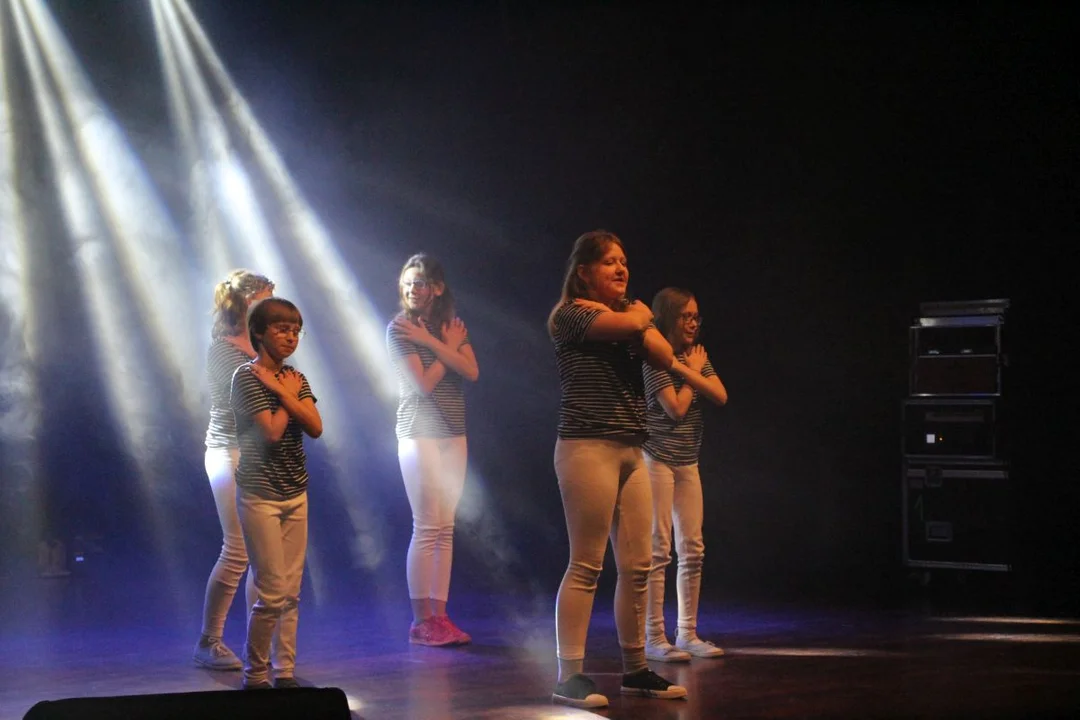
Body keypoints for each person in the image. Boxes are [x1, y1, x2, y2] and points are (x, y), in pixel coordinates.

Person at [547, 230, 687, 709]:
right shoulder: (571, 315)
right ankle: (569, 676)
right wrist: (640, 318)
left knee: (639, 566)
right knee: (586, 564)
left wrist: (641, 320)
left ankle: (636, 669)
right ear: (584, 271)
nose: (621, 269)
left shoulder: (629, 318)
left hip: (632, 449)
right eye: (609, 262)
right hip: (587, 447)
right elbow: (631, 329)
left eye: (624, 261)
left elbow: (665, 356)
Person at [386, 253, 479, 646]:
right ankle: (421, 620)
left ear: (436, 287)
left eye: (419, 282)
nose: (411, 289)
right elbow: (422, 384)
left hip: (452, 432)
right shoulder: (401, 328)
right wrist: (440, 346)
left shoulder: (450, 325)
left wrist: (442, 342)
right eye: (407, 282)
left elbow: (472, 372)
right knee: (426, 526)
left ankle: (440, 615)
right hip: (418, 432)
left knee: (445, 527)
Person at [232, 297, 322, 689]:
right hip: (260, 494)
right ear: (259, 333)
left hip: (295, 491)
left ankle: (284, 671)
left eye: (296, 330)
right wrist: (285, 396)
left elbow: (316, 427)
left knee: (292, 592)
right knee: (271, 592)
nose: (291, 337)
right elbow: (269, 432)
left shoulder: (294, 380)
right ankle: (255, 676)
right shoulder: (247, 376)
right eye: (282, 329)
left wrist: (283, 393)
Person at [641, 288, 729, 663]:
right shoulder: (653, 356)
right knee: (658, 550)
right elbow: (675, 409)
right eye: (686, 316)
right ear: (669, 318)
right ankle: (654, 637)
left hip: (687, 460)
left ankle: (687, 633)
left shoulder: (692, 357)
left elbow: (721, 395)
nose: (693, 323)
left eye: (697, 317)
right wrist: (690, 373)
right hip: (656, 459)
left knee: (692, 548)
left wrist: (689, 371)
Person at [194, 270, 274, 670]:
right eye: (267, 299)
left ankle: (256, 644)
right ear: (247, 302)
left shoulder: (260, 346)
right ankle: (208, 642)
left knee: (261, 553)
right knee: (238, 548)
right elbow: (244, 402)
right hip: (228, 453)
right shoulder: (225, 348)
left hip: (255, 457)